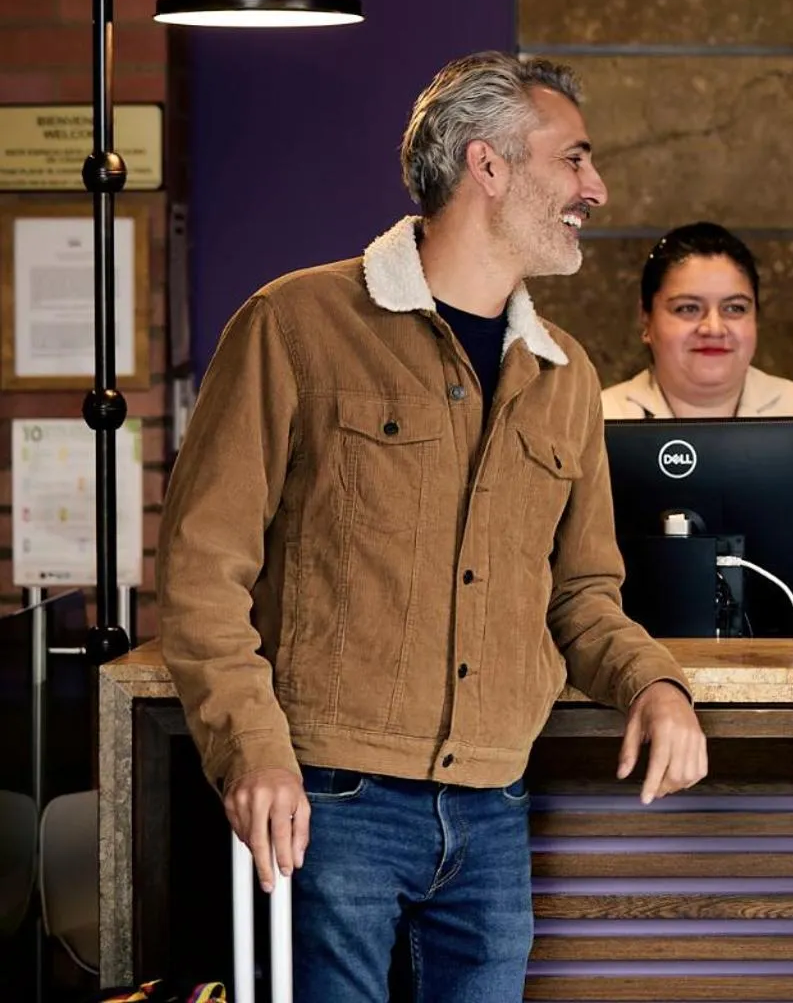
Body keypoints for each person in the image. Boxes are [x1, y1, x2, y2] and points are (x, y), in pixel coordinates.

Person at [156, 52, 708, 1002]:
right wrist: (251, 749)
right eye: (574, 160)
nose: (596, 188)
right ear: (488, 165)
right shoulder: (296, 325)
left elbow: (580, 596)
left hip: (494, 811)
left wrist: (654, 683)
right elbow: (203, 573)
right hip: (330, 805)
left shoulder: (565, 373)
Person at [600, 220, 793, 529]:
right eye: (687, 309)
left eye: (735, 309)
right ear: (646, 317)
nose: (713, 328)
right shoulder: (596, 419)